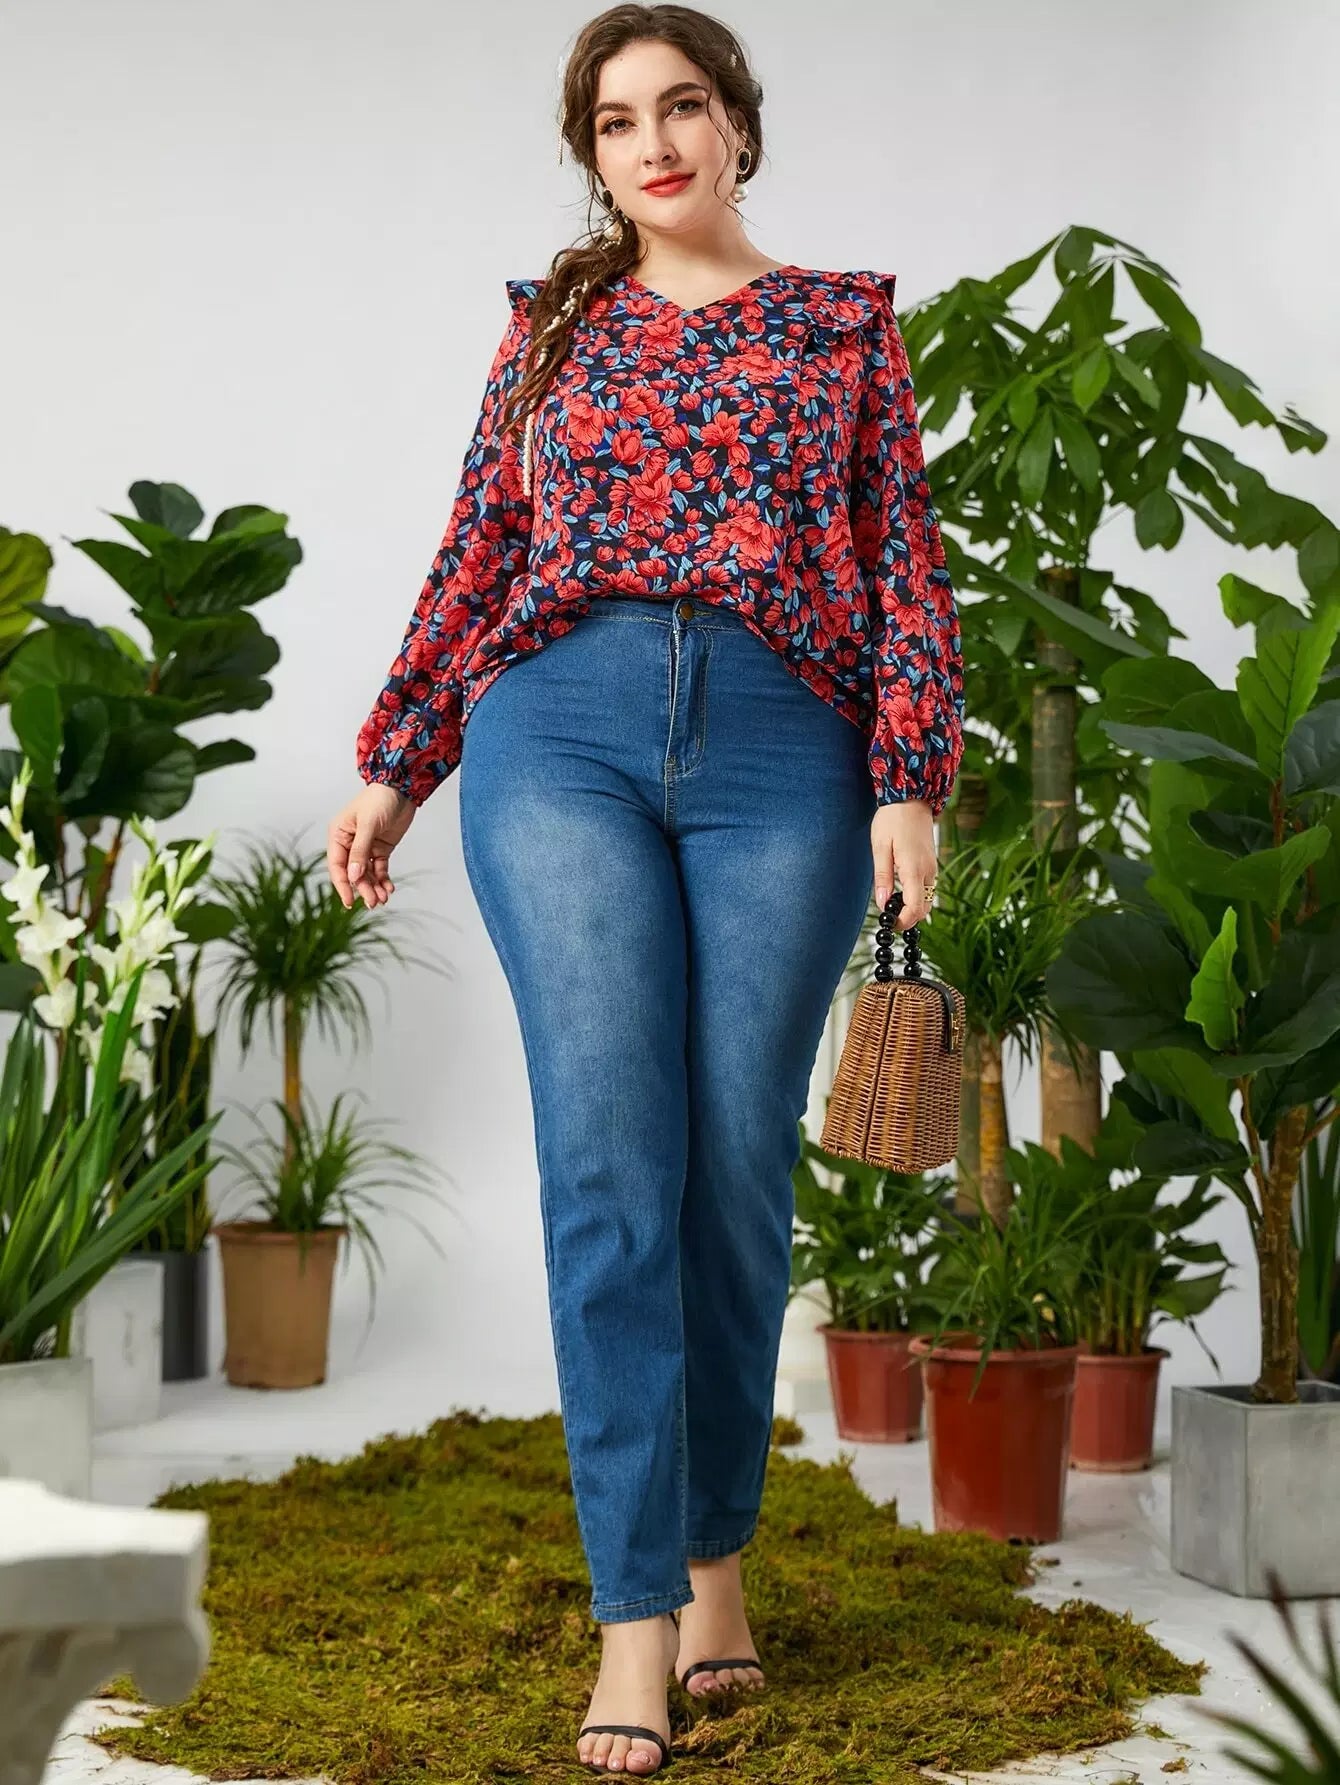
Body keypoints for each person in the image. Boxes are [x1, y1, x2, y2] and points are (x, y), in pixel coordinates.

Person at [327, 5, 964, 1774]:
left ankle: (715, 1562)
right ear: (593, 159)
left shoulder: (841, 325)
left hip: (784, 755)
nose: (654, 142)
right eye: (616, 122)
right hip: (564, 738)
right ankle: (634, 1621)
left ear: (738, 124)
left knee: (735, 1174)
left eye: (682, 106)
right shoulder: (550, 330)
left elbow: (903, 562)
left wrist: (911, 774)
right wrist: (398, 759)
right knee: (614, 1167)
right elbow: (480, 551)